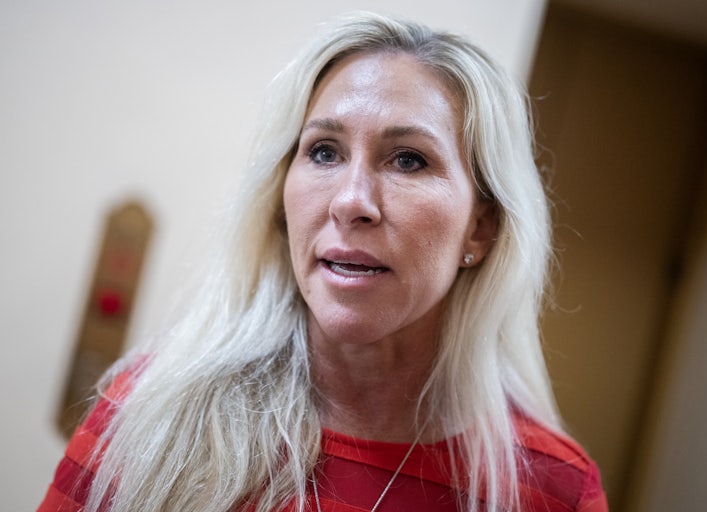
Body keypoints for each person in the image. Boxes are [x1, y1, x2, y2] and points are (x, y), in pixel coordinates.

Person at [39, 11, 608, 512]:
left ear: (481, 226)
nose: (350, 200)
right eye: (324, 152)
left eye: (408, 160)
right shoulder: (144, 415)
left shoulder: (554, 490)